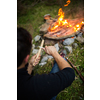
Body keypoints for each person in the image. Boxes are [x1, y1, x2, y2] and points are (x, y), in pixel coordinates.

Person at [17, 27, 75, 100]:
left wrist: (30, 66)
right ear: (26, 58)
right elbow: (70, 74)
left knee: (58, 62)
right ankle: (61, 57)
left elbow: (24, 77)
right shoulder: (37, 86)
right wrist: (54, 53)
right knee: (60, 60)